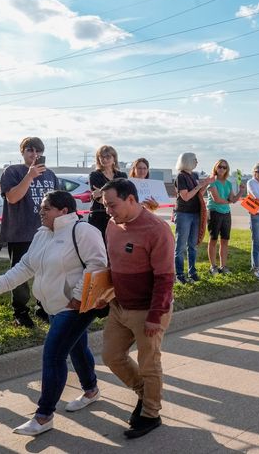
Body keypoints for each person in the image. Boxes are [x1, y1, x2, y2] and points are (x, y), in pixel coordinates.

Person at [0, 191, 107, 436]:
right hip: (52, 306)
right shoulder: (42, 235)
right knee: (77, 347)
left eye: (46, 208)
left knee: (54, 355)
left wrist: (77, 298)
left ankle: (44, 416)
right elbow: (25, 266)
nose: (41, 212)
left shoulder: (83, 232)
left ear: (63, 211)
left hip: (76, 307)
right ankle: (91, 390)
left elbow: (98, 265)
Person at [99, 178, 175, 439]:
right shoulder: (112, 225)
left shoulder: (157, 229)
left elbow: (166, 277)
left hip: (148, 310)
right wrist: (102, 295)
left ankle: (151, 414)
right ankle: (145, 394)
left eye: (112, 204)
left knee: (149, 364)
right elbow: (114, 266)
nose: (108, 210)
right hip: (119, 306)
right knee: (111, 355)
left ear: (131, 199)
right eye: (105, 205)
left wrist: (155, 316)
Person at [0, 136, 58, 327]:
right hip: (20, 232)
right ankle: (20, 311)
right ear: (22, 152)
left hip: (46, 232)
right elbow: (13, 198)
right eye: (30, 151)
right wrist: (30, 176)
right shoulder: (13, 171)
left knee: (47, 271)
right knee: (20, 273)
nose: (35, 155)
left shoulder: (50, 175)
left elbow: (57, 202)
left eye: (38, 151)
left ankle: (43, 307)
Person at [173, 152, 211, 283]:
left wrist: (206, 184)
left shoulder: (194, 175)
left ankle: (192, 271)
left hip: (195, 213)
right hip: (184, 213)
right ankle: (179, 274)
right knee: (181, 245)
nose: (197, 162)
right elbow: (186, 196)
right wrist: (200, 185)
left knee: (193, 245)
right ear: (187, 161)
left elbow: (198, 193)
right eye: (195, 160)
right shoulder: (180, 176)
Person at [205, 159, 244, 275]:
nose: (222, 169)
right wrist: (230, 201)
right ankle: (213, 266)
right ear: (216, 168)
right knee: (213, 240)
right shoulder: (212, 182)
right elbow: (217, 199)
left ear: (227, 170)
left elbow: (233, 199)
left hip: (226, 214)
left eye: (224, 167)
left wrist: (241, 192)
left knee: (225, 240)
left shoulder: (228, 183)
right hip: (214, 213)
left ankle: (223, 266)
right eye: (220, 167)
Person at [89, 145, 127, 239]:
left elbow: (125, 196)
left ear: (114, 158)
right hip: (99, 216)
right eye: (102, 157)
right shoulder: (95, 175)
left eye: (108, 157)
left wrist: (102, 193)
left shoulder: (122, 176)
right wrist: (116, 198)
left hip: (119, 216)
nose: (105, 160)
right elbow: (98, 198)